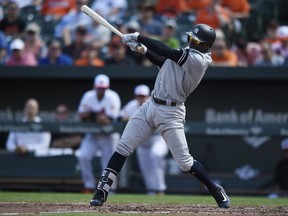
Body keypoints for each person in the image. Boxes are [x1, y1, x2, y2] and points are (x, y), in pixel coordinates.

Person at [89, 23, 230, 209]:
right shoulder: (188, 55)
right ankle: (102, 190)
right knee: (123, 147)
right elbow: (165, 62)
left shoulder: (199, 60)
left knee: (185, 162)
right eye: (191, 39)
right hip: (151, 105)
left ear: (205, 45)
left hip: (171, 112)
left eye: (195, 41)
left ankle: (214, 189)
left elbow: (168, 52)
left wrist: (139, 37)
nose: (191, 43)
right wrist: (144, 50)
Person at [76, 74, 121, 194]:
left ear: (108, 87)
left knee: (108, 164)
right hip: (93, 134)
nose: (101, 90)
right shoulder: (88, 96)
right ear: (94, 87)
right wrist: (96, 116)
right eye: (99, 88)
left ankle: (110, 189)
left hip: (109, 136)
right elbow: (81, 115)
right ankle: (89, 185)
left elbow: (109, 120)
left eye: (103, 88)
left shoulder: (113, 97)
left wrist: (91, 115)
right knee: (83, 156)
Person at [120, 84, 168, 195]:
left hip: (157, 139)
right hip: (143, 142)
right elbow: (120, 115)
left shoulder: (154, 104)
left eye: (143, 96)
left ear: (148, 96)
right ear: (136, 96)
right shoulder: (132, 105)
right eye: (139, 96)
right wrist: (132, 119)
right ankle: (152, 193)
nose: (141, 98)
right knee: (146, 169)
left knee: (155, 155)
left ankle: (160, 190)